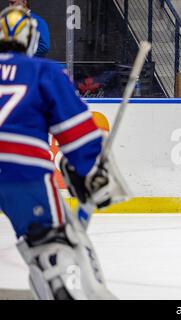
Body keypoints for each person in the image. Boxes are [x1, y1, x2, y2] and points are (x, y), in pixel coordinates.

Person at [0, 6, 127, 300]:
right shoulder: (43, 71)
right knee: (52, 249)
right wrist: (90, 171)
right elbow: (77, 132)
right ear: (31, 40)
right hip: (24, 172)